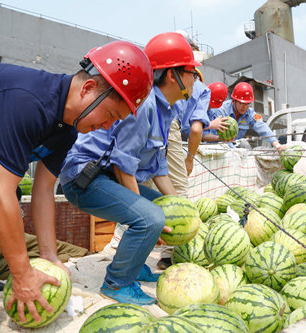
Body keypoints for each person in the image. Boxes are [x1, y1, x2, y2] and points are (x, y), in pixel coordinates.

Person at [0, 40, 153, 331]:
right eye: (111, 115)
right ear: (88, 90)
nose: (109, 126)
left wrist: (50, 254)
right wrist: (22, 273)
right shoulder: (28, 100)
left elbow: (43, 190)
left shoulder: (66, 129)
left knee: (8, 188)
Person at [59, 31, 201, 306]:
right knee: (150, 217)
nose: (195, 79)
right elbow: (125, 166)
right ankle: (117, 283)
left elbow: (159, 167)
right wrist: (150, 215)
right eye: (191, 72)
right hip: (85, 180)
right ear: (172, 76)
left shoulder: (166, 109)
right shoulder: (146, 105)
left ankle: (133, 266)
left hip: (106, 178)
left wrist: (180, 207)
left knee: (163, 209)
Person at [214, 82, 285, 151]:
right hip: (218, 147)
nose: (245, 107)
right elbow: (214, 135)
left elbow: (261, 125)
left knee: (245, 145)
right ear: (233, 101)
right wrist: (234, 150)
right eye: (242, 103)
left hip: (234, 145)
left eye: (248, 103)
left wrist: (275, 143)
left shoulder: (250, 112)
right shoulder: (222, 111)